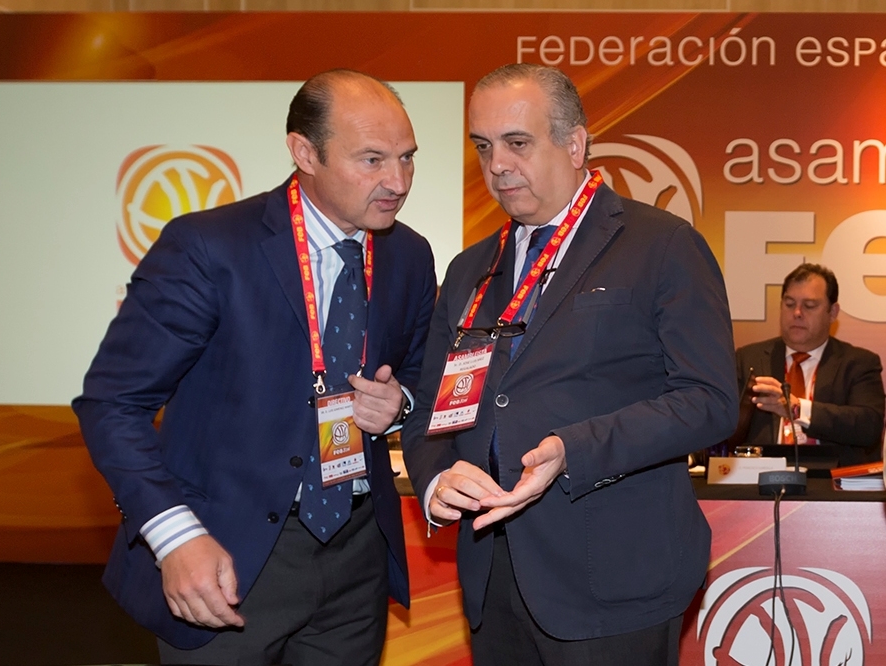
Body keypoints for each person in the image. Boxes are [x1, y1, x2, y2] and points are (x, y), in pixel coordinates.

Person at [73, 69, 436, 665]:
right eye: (371, 160)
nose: (396, 182)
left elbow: (420, 377)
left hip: (357, 556)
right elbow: (113, 404)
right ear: (303, 152)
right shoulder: (210, 247)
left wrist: (402, 407)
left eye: (406, 158)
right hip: (227, 556)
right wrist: (175, 537)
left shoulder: (409, 254)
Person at [401, 63, 738, 666]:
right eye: (484, 146)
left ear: (575, 144)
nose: (497, 164)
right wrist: (434, 481)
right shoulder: (470, 269)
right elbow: (430, 411)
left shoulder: (661, 244)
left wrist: (573, 449)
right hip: (492, 574)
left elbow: (709, 400)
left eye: (518, 143)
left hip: (612, 575)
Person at [735, 263, 884, 466]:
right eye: (789, 304)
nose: (797, 313)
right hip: (760, 481)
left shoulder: (858, 363)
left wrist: (797, 409)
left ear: (832, 312)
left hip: (832, 483)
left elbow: (868, 427)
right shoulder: (748, 359)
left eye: (809, 305)